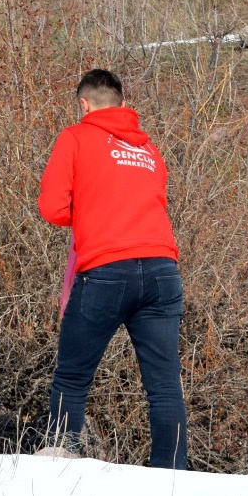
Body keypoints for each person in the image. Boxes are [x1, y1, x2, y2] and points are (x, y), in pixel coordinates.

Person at [37, 69, 188, 470]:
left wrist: (90, 215)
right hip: (162, 270)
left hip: (106, 271)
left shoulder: (75, 137)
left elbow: (51, 208)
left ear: (84, 105)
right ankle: (173, 479)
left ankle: (60, 468)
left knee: (72, 378)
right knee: (164, 387)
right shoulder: (150, 149)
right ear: (123, 102)